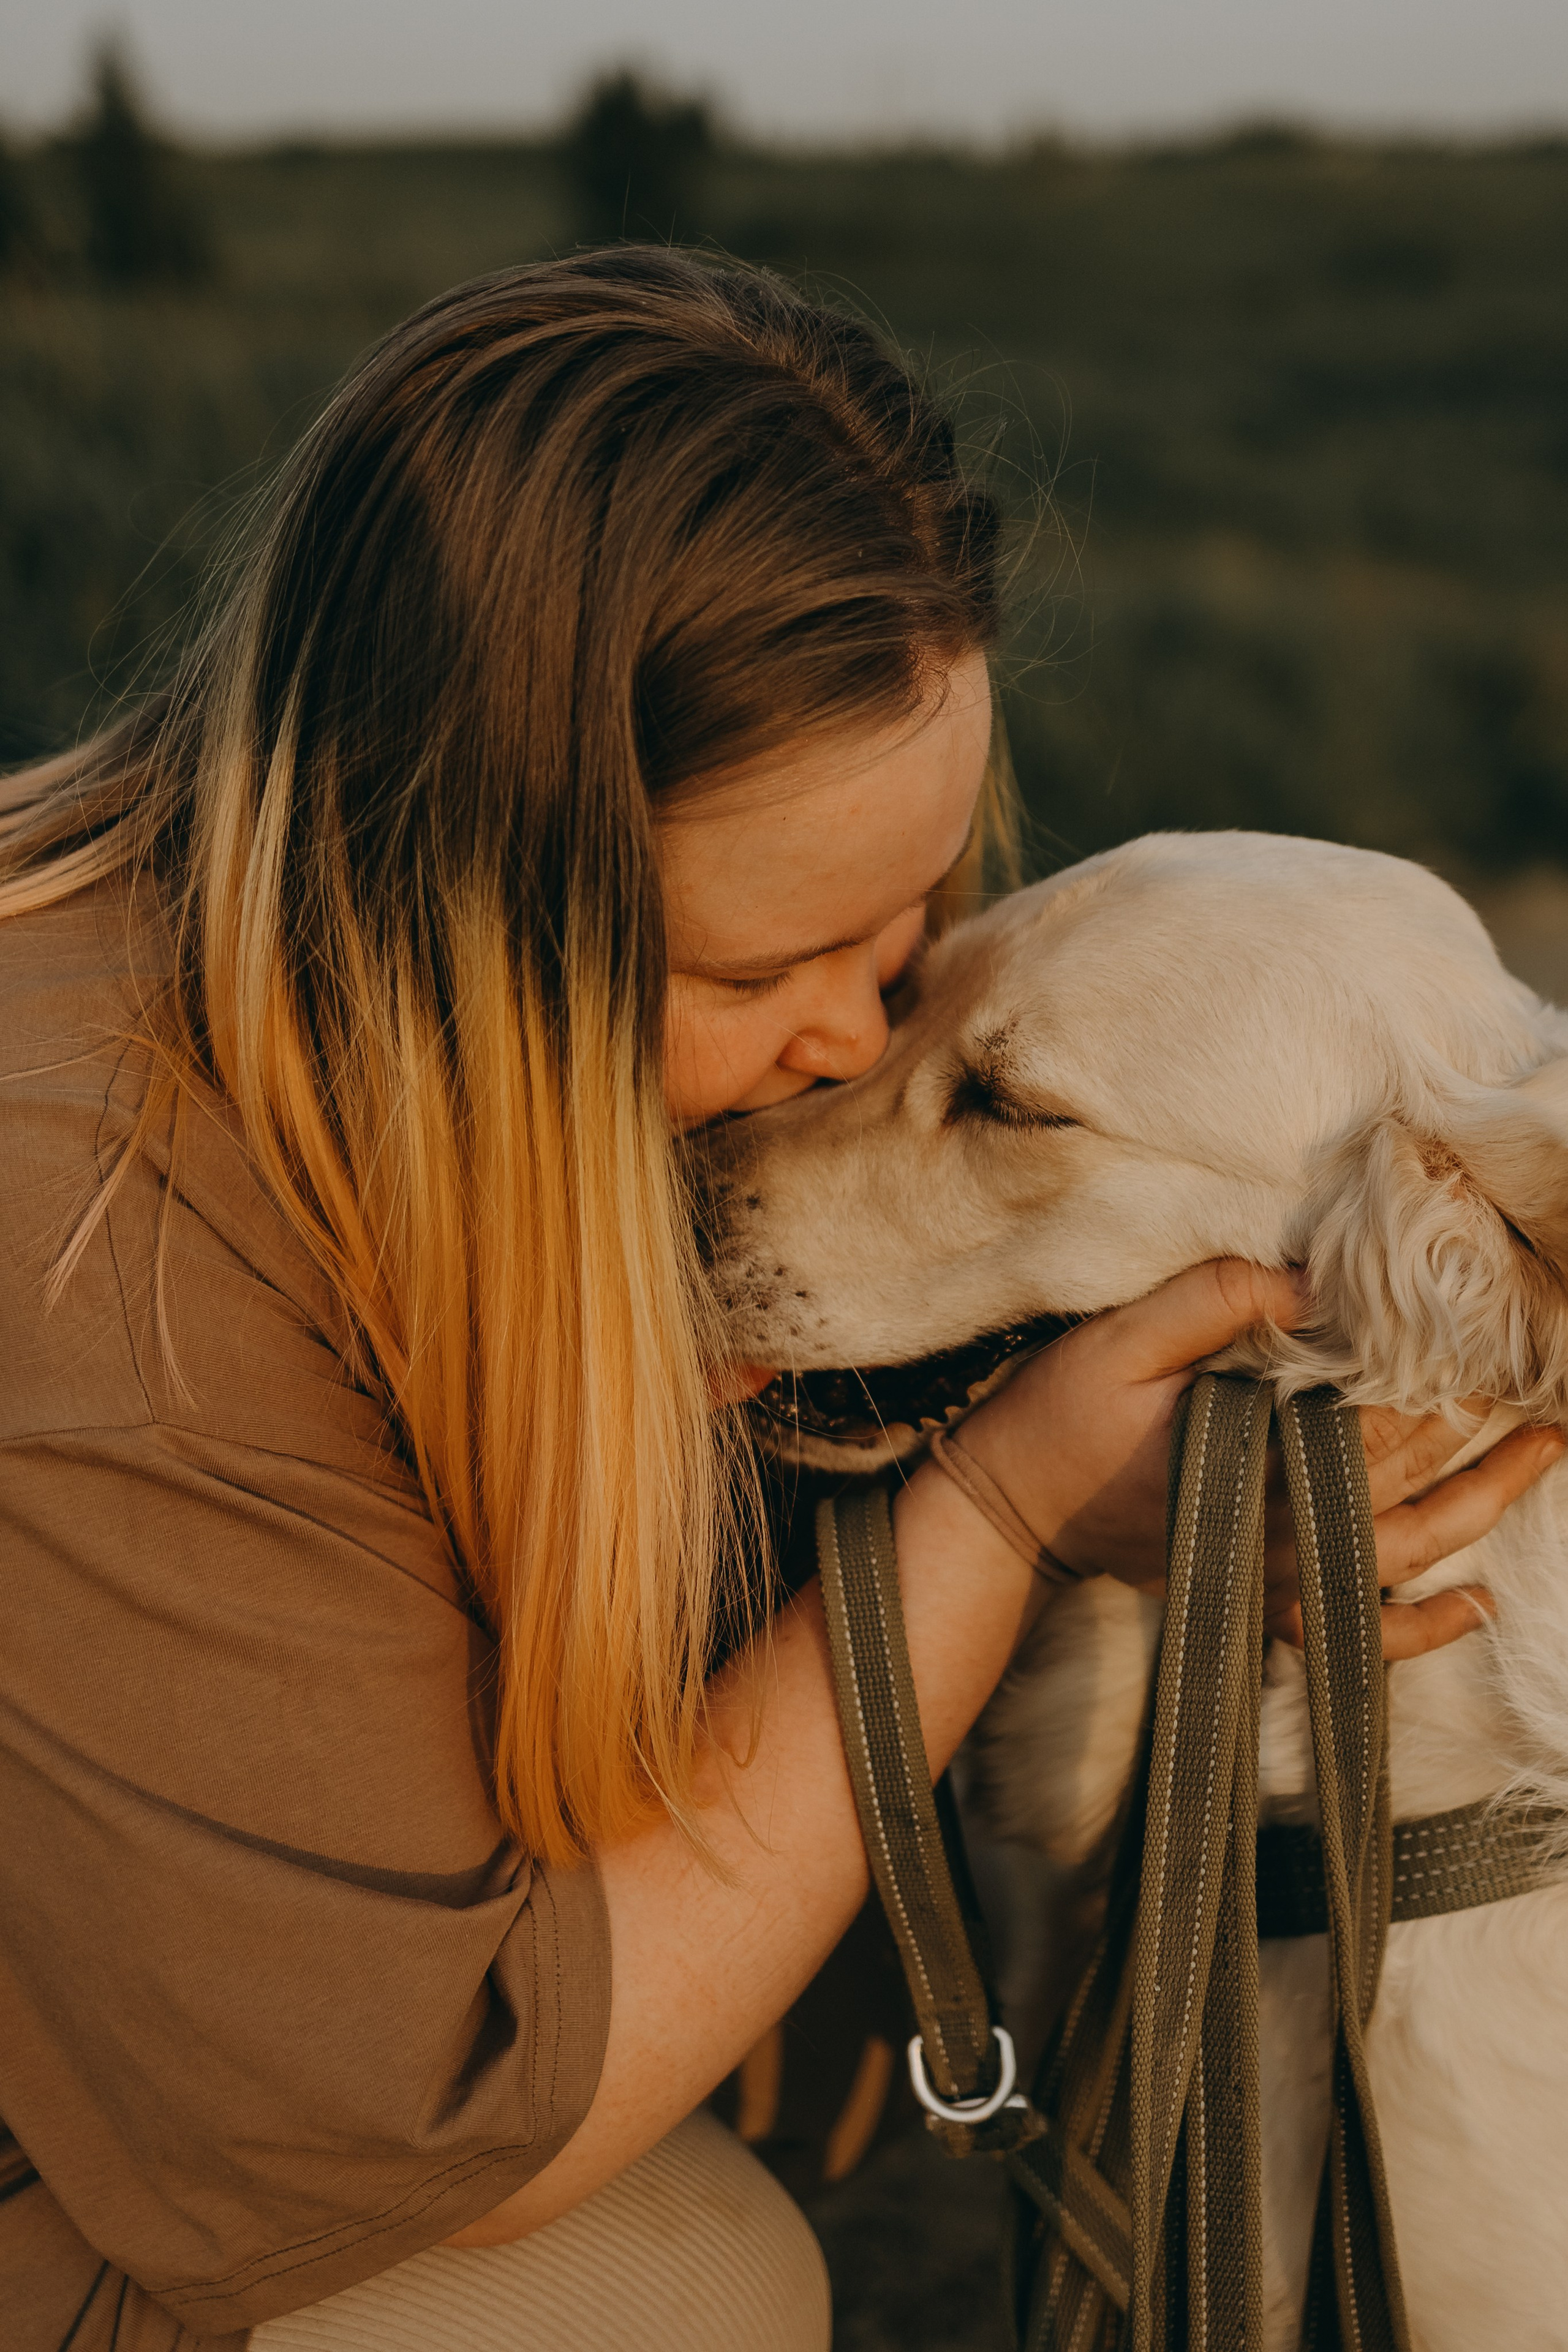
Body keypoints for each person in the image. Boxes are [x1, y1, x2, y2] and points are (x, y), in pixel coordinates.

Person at [1, 249, 1556, 2352]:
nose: (844, 1048)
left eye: (911, 935)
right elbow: (427, 2115)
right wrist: (991, 1523)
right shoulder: (95, 1266)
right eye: (755, 977)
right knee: (674, 2292)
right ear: (444, 884)